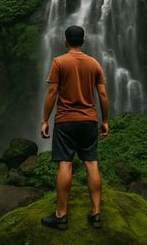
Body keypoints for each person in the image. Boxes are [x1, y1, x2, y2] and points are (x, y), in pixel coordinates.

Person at [40, 25, 109, 230]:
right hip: (89, 120)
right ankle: (96, 213)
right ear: (84, 40)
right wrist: (105, 121)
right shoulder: (94, 63)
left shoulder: (59, 62)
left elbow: (52, 93)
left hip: (65, 120)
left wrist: (45, 119)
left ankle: (61, 215)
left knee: (65, 165)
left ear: (66, 41)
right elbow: (103, 95)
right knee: (92, 163)